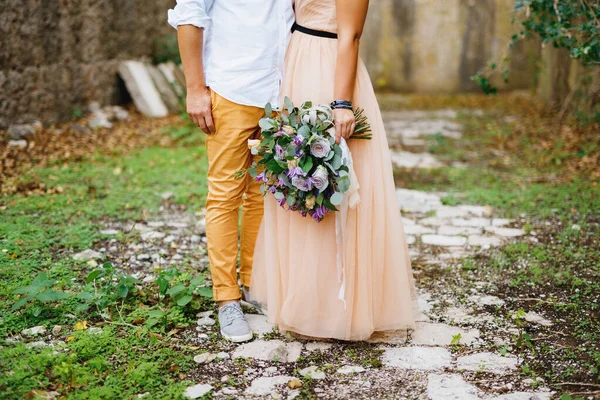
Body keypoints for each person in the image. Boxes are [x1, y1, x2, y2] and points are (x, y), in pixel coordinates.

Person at [250, 0, 418, 341]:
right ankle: (302, 300)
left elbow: (351, 35)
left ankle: (335, 308)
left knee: (332, 185)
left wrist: (340, 103)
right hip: (296, 66)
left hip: (328, 73)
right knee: (298, 181)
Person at [167, 0, 294, 343]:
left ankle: (254, 284)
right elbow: (190, 14)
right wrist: (195, 89)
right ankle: (227, 298)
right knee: (225, 195)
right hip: (232, 89)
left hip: (279, 93)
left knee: (262, 192)